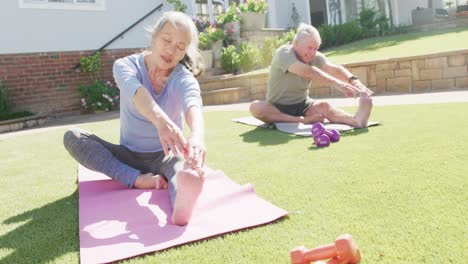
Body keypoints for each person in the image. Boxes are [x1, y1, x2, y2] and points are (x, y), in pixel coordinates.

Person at [63, 11, 206, 226]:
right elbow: (138, 93)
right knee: (73, 136)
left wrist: (196, 135)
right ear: (153, 37)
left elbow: (192, 103)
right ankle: (137, 180)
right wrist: (161, 121)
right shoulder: (125, 66)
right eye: (167, 40)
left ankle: (181, 206)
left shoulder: (182, 77)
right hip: (128, 155)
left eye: (180, 46)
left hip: (167, 155)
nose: (171, 50)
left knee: (182, 171)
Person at [250, 23, 373, 128]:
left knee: (324, 106)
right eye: (309, 48)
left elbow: (333, 69)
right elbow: (307, 72)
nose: (312, 53)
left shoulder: (314, 56)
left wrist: (353, 81)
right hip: (277, 108)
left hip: (303, 106)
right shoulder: (284, 53)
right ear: (296, 43)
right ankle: (302, 120)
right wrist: (338, 84)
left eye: (315, 49)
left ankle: (357, 120)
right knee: (256, 107)